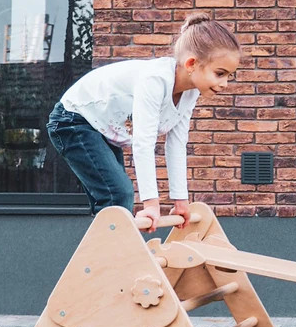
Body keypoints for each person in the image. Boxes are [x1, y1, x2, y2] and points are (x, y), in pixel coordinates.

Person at [46, 12, 240, 232]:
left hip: (102, 128)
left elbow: (176, 145)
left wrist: (180, 201)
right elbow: (143, 143)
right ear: (192, 63)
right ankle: (110, 261)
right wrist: (151, 204)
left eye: (229, 76)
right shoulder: (155, 80)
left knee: (117, 201)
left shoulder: (190, 93)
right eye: (220, 73)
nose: (224, 84)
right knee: (118, 194)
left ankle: (107, 257)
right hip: (73, 120)